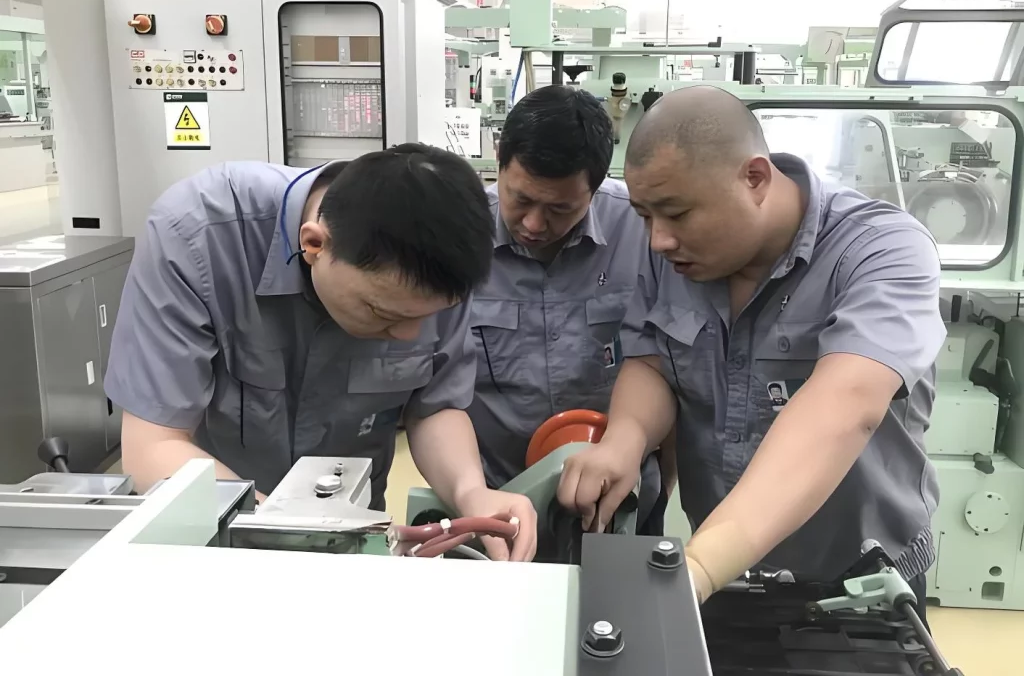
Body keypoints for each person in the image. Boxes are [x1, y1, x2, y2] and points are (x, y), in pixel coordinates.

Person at [557, 85, 944, 622]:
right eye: (644, 216)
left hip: (858, 582)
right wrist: (625, 440)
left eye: (676, 213)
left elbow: (843, 408)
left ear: (755, 179)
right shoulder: (675, 256)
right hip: (728, 571)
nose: (658, 240)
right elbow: (654, 363)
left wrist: (700, 567)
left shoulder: (881, 250)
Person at [104, 145, 538, 561]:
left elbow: (435, 407)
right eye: (382, 313)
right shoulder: (197, 233)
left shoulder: (437, 267)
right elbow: (153, 446)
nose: (410, 335)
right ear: (314, 244)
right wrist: (287, 533)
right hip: (215, 538)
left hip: (347, 541)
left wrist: (471, 492)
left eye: (427, 317)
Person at [467, 85, 667, 537]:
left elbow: (668, 363)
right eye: (520, 199)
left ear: (595, 187)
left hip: (619, 494)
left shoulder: (643, 232)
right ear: (499, 160)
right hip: (494, 496)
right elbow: (436, 387)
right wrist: (469, 491)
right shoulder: (461, 235)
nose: (534, 224)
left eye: (561, 208)